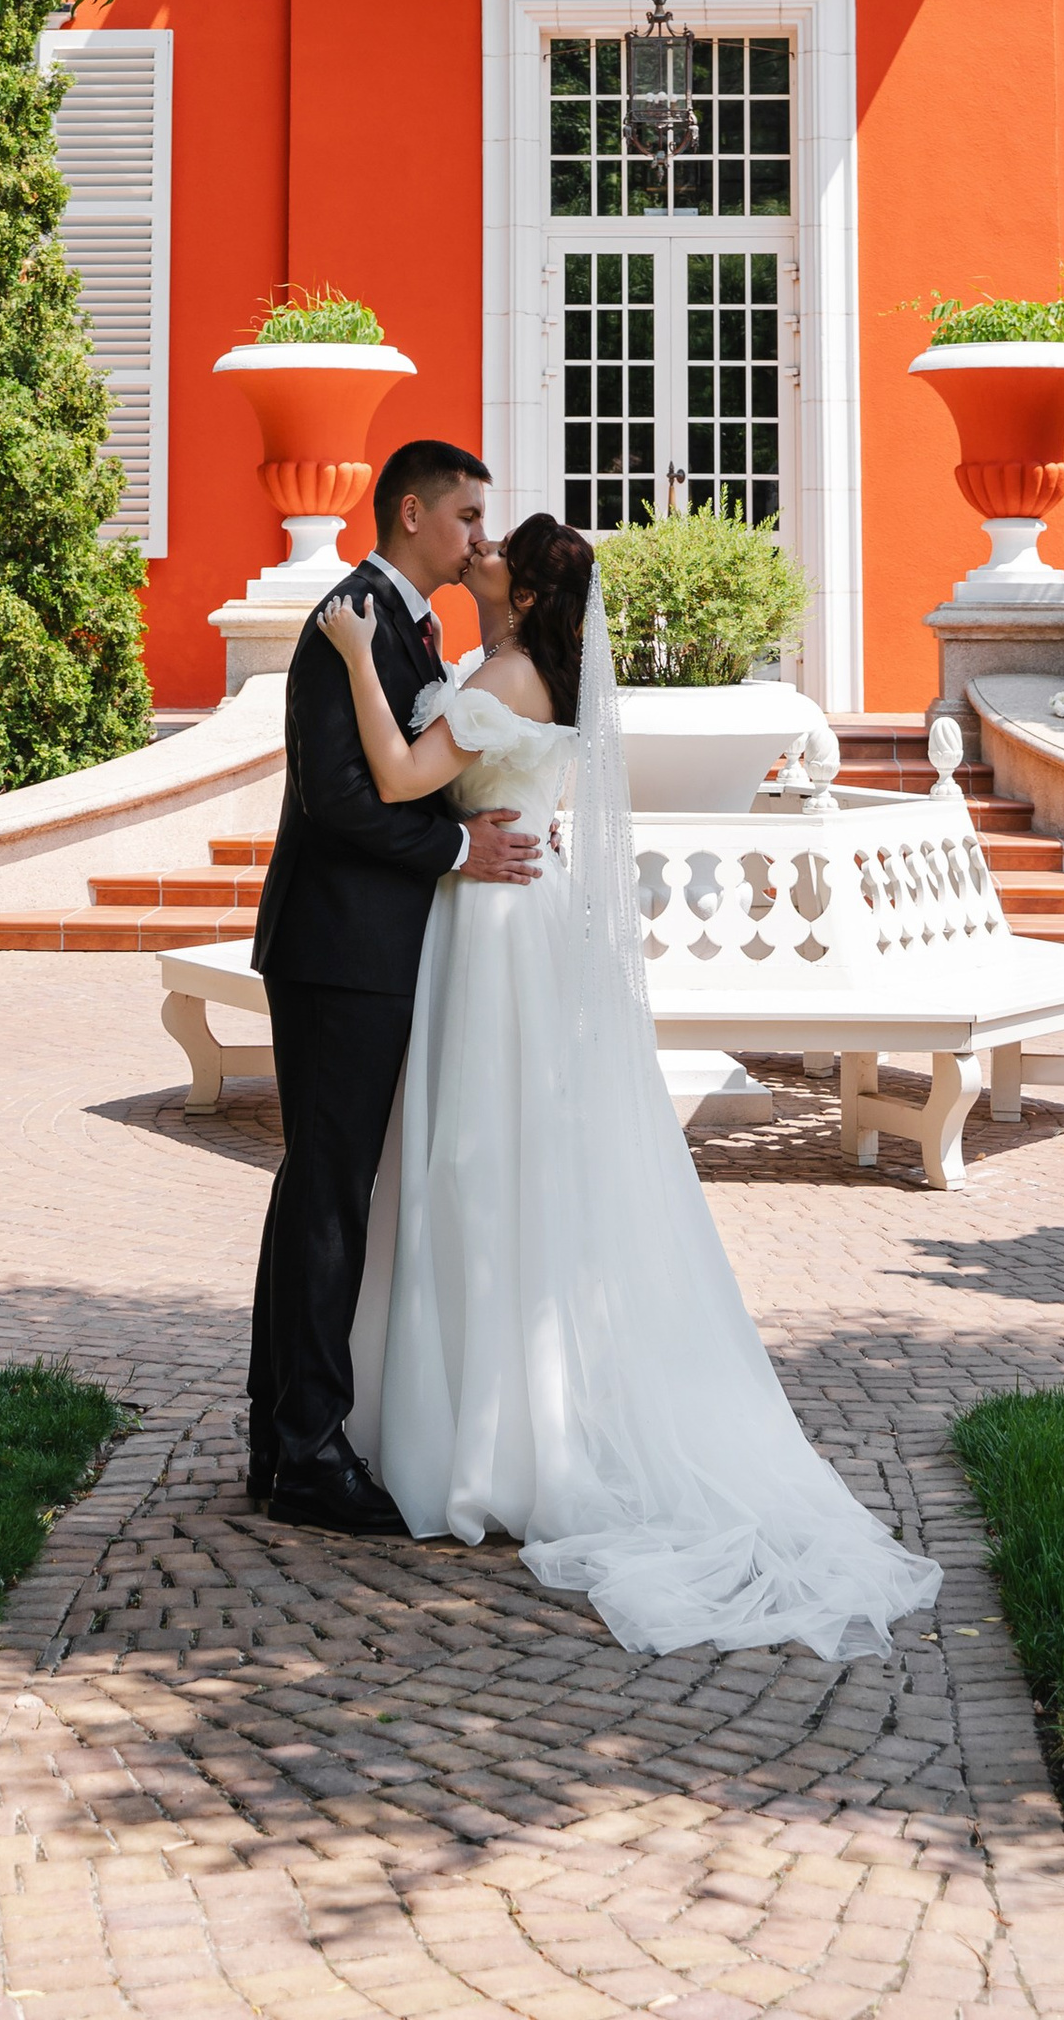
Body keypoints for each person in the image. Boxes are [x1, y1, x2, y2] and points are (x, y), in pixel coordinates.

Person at [321, 512, 944, 1663]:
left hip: (492, 928)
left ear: (524, 586)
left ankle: (482, 1435)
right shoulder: (534, 669)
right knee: (510, 1157)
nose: (482, 548)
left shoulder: (504, 669)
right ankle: (506, 1409)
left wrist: (359, 660)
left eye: (498, 544)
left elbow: (407, 773)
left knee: (472, 1157)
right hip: (521, 910)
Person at [245, 440, 545, 1533]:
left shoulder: (407, 624)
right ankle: (311, 1452)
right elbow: (337, 799)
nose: (478, 536)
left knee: (318, 1191)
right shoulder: (352, 619)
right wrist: (462, 851)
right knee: (330, 1196)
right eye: (467, 514)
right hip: (338, 950)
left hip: (366, 950)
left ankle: (281, 1428)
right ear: (411, 510)